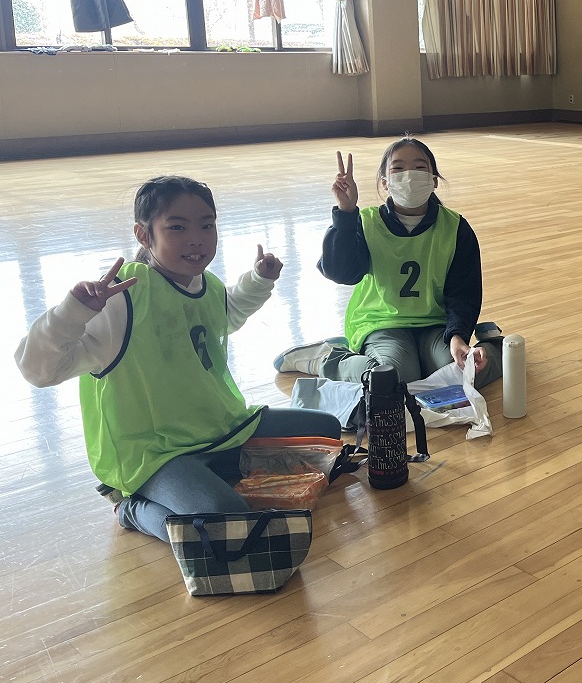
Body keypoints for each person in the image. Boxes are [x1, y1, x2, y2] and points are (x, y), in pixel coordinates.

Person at [15, 176, 342, 542]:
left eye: (207, 225)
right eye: (177, 227)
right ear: (143, 235)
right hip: (153, 452)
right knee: (224, 518)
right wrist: (71, 313)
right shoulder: (123, 297)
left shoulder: (206, 284)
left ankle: (208, 477)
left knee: (327, 431)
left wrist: (258, 280)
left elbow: (227, 313)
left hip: (220, 428)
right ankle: (132, 508)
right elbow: (37, 370)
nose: (196, 239)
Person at [275, 137, 501, 389]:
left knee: (462, 374)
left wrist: (458, 335)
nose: (409, 176)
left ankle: (497, 346)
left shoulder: (455, 227)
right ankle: (326, 358)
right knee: (391, 380)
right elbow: (341, 273)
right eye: (398, 168)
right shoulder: (367, 221)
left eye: (419, 167)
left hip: (435, 324)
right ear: (385, 182)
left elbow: (464, 292)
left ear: (434, 180)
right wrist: (346, 214)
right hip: (381, 322)